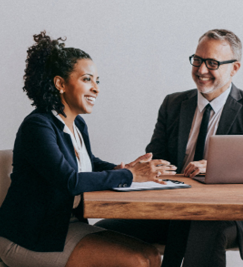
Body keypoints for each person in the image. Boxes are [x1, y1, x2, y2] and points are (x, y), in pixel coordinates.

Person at [94, 29, 243, 266]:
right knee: (103, 232)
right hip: (173, 208)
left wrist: (218, 166)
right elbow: (157, 157)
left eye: (212, 63)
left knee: (204, 226)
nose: (201, 70)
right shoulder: (172, 104)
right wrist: (145, 168)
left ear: (234, 68)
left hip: (228, 214)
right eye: (197, 60)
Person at [0, 32, 176, 267]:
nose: (96, 88)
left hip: (64, 226)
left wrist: (123, 168)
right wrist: (130, 175)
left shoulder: (77, 124)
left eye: (97, 81)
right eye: (87, 79)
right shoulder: (38, 125)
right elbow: (70, 180)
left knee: (151, 255)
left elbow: (88, 162)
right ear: (60, 83)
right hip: (28, 237)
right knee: (137, 261)